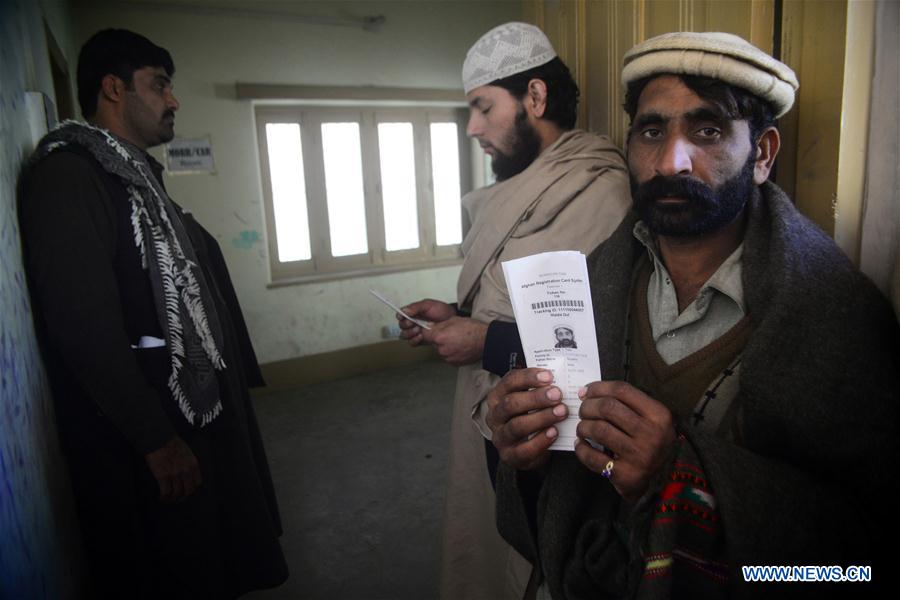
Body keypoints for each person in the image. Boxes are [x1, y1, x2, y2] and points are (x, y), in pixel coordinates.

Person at [484, 31, 897, 598]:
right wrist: (523, 448)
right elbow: (555, 501)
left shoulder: (838, 317)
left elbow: (857, 568)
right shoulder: (590, 285)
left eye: (707, 131)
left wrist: (680, 481)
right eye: (652, 130)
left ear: (763, 154)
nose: (671, 160)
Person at [18, 29, 288, 599]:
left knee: (205, 557)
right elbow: (82, 324)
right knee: (167, 567)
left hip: (184, 418)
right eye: (160, 85)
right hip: (145, 442)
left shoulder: (133, 175)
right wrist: (154, 439)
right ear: (113, 89)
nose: (173, 100)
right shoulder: (70, 177)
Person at [398, 22, 631, 600]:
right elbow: (508, 296)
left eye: (482, 107)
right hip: (491, 421)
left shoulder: (599, 189)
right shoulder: (520, 185)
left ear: (535, 96)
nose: (472, 127)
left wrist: (484, 343)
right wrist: (452, 310)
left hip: (553, 432)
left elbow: (597, 338)